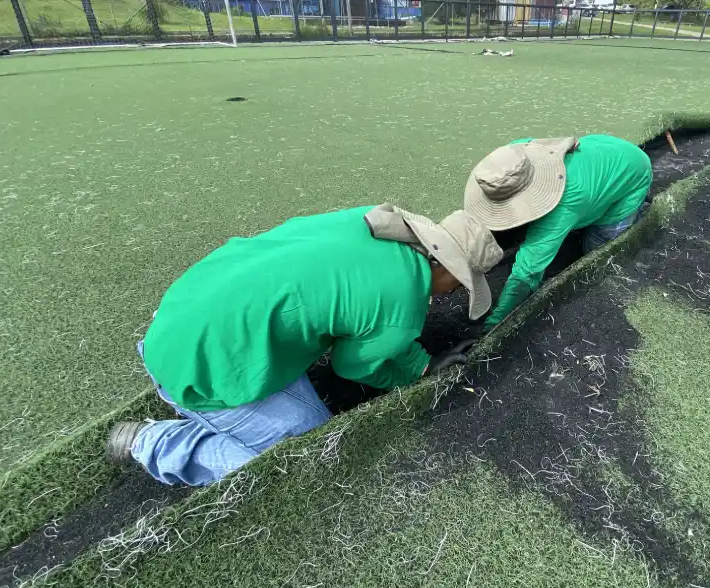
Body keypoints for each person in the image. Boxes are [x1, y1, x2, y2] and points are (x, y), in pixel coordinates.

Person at [106, 204, 502, 486]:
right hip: (202, 370)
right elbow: (353, 366)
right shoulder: (401, 305)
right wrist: (421, 369)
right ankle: (153, 443)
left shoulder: (367, 221)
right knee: (309, 458)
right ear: (445, 267)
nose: (454, 292)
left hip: (180, 315)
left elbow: (351, 306)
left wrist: (412, 356)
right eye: (461, 284)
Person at [464, 135, 652, 330]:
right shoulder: (511, 161)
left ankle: (636, 208)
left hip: (632, 170)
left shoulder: (566, 201)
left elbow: (527, 273)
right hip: (602, 149)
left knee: (597, 248)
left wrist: (493, 325)